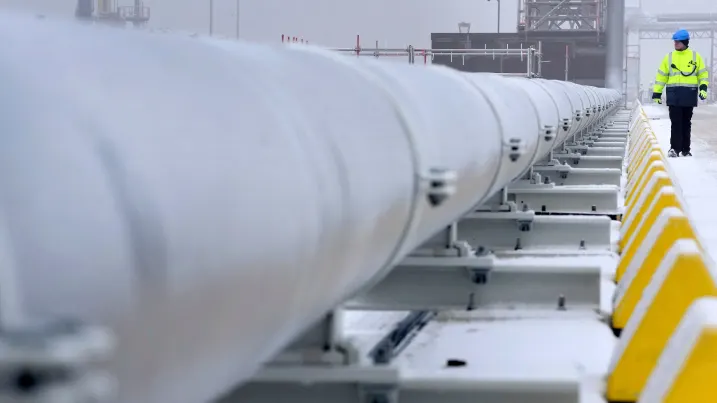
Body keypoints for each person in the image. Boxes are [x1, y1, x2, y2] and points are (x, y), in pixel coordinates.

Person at [652, 29, 709, 157]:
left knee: (686, 122)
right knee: (676, 122)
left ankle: (686, 149)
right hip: (674, 95)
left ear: (685, 42)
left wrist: (704, 88)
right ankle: (674, 149)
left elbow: (703, 74)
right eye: (675, 42)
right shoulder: (669, 57)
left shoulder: (695, 57)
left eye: (678, 42)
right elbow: (661, 76)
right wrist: (657, 93)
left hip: (689, 94)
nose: (675, 44)